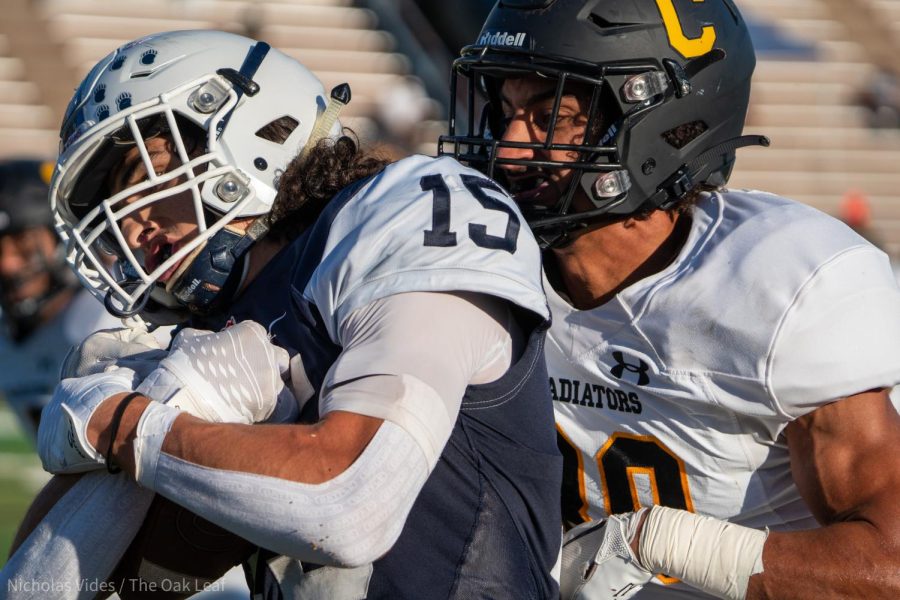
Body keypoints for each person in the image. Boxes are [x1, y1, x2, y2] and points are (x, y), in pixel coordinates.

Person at [19, 29, 561, 599]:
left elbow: (349, 506)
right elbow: (54, 588)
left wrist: (124, 425)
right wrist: (106, 458)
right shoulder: (220, 327)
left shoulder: (402, 211)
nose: (129, 225)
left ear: (238, 134)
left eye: (134, 180)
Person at [439, 0, 900, 598]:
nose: (508, 148)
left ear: (663, 120)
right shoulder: (482, 266)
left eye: (550, 115)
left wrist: (660, 545)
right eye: (505, 112)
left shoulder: (779, 286)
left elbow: (890, 565)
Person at [0, 158, 122, 439]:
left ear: (61, 237)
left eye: (24, 244)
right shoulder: (6, 339)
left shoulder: (109, 316)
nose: (8, 264)